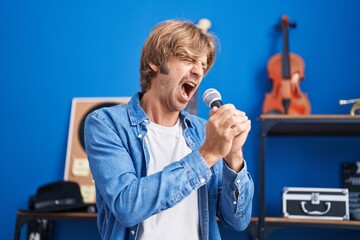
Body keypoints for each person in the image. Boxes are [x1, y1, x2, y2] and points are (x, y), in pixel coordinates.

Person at [84, 19, 254, 240]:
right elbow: (127, 206)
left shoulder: (204, 132)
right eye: (188, 59)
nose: (198, 71)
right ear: (155, 61)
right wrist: (207, 155)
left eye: (202, 65)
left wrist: (233, 155)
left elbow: (238, 221)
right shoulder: (106, 124)